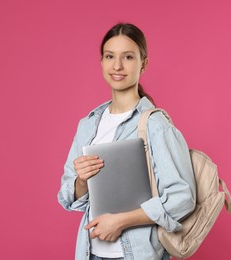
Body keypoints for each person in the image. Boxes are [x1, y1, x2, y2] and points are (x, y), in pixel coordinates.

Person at [57, 23, 196, 260]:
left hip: (137, 254)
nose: (117, 66)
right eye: (110, 56)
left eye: (128, 57)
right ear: (101, 62)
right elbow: (67, 197)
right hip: (89, 253)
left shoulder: (156, 124)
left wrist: (121, 221)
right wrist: (81, 180)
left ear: (144, 63)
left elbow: (183, 197)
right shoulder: (88, 125)